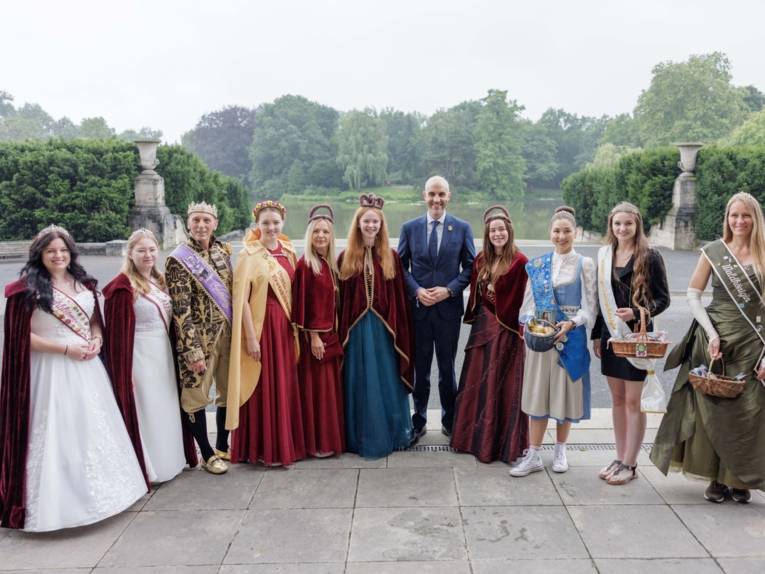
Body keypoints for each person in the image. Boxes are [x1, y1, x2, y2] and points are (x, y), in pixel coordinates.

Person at [0, 225, 147, 531]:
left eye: (63, 250)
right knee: (56, 431)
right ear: (40, 254)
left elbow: (95, 321)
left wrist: (97, 340)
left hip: (87, 368)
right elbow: (19, 338)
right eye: (51, 251)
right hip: (50, 368)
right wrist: (65, 348)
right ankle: (56, 506)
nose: (58, 256)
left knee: (91, 428)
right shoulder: (25, 290)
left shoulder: (84, 284)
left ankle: (104, 497)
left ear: (71, 253)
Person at [651, 192, 765, 503]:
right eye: (734, 215)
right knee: (711, 411)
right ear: (726, 218)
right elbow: (692, 293)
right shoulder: (714, 251)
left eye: (746, 215)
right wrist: (710, 332)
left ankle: (740, 479)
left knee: (748, 413)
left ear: (755, 218)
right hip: (714, 340)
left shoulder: (764, 253)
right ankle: (716, 478)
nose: (739, 221)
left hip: (753, 343)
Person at [103, 228, 197, 483]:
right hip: (139, 356)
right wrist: (124, 371)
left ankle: (172, 460)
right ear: (130, 253)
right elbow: (115, 336)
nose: (147, 255)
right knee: (147, 409)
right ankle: (150, 467)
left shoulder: (161, 280)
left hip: (163, 353)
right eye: (141, 250)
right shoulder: (122, 287)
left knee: (165, 407)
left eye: (152, 249)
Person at [510, 206, 596, 477]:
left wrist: (572, 322)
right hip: (542, 339)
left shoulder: (585, 264)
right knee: (538, 396)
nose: (561, 236)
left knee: (565, 398)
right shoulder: (537, 266)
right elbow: (526, 307)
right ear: (550, 233)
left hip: (571, 338)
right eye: (557, 231)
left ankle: (560, 449)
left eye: (567, 231)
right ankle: (534, 454)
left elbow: (590, 308)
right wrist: (534, 327)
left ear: (575, 232)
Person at [592, 202, 670, 484]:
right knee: (617, 400)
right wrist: (595, 335)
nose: (622, 228)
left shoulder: (650, 256)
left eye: (628, 223)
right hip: (611, 337)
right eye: (617, 224)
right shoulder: (605, 255)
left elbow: (664, 299)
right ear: (611, 226)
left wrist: (637, 312)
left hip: (636, 337)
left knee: (634, 401)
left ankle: (631, 462)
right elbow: (601, 302)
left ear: (637, 225)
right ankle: (619, 455)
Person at [228, 200, 306, 466]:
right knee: (263, 385)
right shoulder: (248, 255)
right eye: (265, 223)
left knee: (284, 383)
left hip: (285, 327)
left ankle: (285, 445)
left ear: (282, 223)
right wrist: (250, 337)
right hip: (263, 327)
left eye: (275, 222)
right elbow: (241, 302)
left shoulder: (288, 250)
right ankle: (263, 449)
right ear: (257, 225)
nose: (271, 227)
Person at [398, 175, 475, 442]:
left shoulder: (462, 228)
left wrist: (450, 289)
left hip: (448, 312)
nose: (436, 199)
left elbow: (471, 267)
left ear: (449, 196)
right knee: (420, 369)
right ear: (424, 195)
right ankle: (418, 421)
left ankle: (449, 420)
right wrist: (417, 291)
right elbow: (400, 267)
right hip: (418, 311)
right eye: (432, 194)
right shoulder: (410, 228)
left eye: (441, 194)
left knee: (446, 369)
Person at [450, 206, 529, 463]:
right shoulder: (481, 259)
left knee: (501, 384)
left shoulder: (520, 261)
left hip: (506, 329)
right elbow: (476, 292)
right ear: (487, 233)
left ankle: (500, 445)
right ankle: (473, 439)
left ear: (509, 231)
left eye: (501, 229)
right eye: (493, 230)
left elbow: (526, 300)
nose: (497, 234)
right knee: (477, 382)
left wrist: (520, 328)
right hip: (483, 325)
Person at [338, 193, 414, 458]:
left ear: (381, 226)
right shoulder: (345, 257)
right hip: (356, 332)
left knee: (385, 379)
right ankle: (358, 435)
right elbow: (340, 301)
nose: (371, 226)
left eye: (376, 222)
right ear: (358, 224)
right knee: (359, 379)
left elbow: (399, 299)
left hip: (384, 331)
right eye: (366, 222)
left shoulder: (391, 256)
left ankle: (392, 433)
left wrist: (399, 329)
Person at [166, 202, 232, 475]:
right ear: (188, 224)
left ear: (215, 223)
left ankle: (222, 446)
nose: (201, 225)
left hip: (226, 335)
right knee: (196, 396)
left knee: (228, 392)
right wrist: (191, 350)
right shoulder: (178, 259)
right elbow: (180, 309)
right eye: (196, 220)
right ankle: (206, 453)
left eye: (206, 220)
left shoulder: (222, 251)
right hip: (199, 341)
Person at [292, 205, 345, 458]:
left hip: (330, 336)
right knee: (317, 393)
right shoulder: (305, 265)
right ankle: (316, 443)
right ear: (309, 235)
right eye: (316, 232)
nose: (321, 236)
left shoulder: (330, 263)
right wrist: (313, 336)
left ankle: (329, 441)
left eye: (325, 231)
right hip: (316, 340)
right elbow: (303, 304)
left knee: (329, 393)